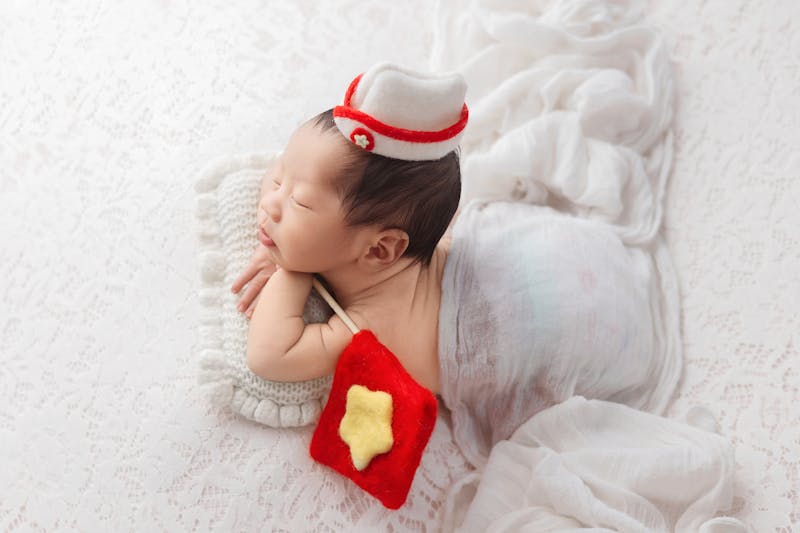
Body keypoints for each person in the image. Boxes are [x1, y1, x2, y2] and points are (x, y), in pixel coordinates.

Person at [230, 62, 468, 394]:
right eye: (281, 180)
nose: (271, 201)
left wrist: (291, 270)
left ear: (378, 249)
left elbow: (270, 358)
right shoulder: (370, 245)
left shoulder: (378, 319)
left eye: (298, 201)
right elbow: (282, 167)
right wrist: (284, 226)